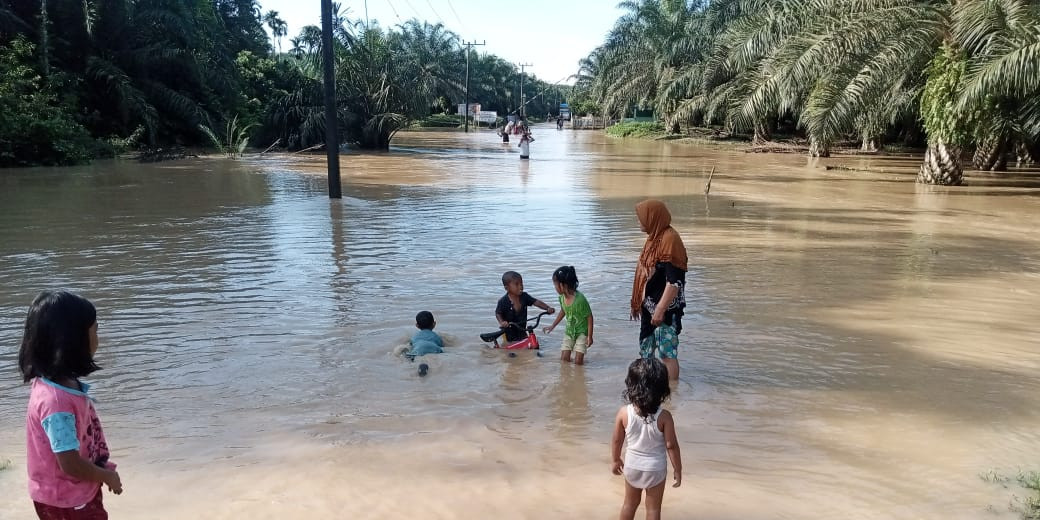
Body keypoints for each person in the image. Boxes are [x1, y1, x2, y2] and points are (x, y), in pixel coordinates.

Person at [18, 290, 123, 519]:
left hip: (75, 491)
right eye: (96, 330)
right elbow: (70, 464)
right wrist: (106, 477)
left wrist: (102, 468)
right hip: (67, 499)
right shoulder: (56, 402)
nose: (98, 337)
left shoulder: (61, 384)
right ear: (73, 340)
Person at [611, 358, 682, 520]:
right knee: (653, 510)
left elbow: (617, 440)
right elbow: (671, 445)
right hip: (655, 468)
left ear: (631, 385)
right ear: (663, 390)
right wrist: (678, 469)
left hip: (632, 466)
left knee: (629, 504)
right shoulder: (664, 417)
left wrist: (615, 460)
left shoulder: (624, 413)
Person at [631, 199, 688, 382]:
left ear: (653, 217)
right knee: (646, 350)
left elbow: (674, 283)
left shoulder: (670, 241)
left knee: (667, 354)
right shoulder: (654, 239)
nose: (638, 221)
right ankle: (649, 391)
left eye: (641, 218)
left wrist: (660, 309)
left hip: (665, 309)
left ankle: (671, 394)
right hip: (650, 306)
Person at [543, 266, 594, 365]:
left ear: (562, 285)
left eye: (555, 285)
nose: (555, 288)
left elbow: (589, 317)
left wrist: (590, 336)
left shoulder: (580, 300)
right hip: (569, 332)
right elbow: (563, 311)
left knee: (578, 362)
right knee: (564, 359)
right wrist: (553, 326)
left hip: (582, 333)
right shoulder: (562, 298)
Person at [495, 271, 554, 345]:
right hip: (509, 333)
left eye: (521, 283)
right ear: (507, 288)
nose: (521, 286)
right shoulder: (503, 301)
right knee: (511, 352)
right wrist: (502, 322)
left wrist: (547, 308)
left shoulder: (524, 297)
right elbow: (498, 313)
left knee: (529, 345)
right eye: (517, 284)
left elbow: (536, 302)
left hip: (522, 331)